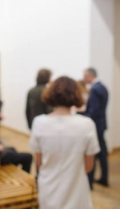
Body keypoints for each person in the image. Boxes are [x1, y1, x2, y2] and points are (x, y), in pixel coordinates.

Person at [30, 76, 100, 209]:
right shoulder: (86, 124)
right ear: (76, 95)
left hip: (48, 189)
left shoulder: (39, 123)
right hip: (76, 191)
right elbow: (89, 166)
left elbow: (39, 163)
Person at [84, 68, 109, 188]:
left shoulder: (94, 89)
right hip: (101, 124)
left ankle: (91, 181)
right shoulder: (102, 87)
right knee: (102, 152)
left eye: (85, 75)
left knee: (93, 152)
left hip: (95, 126)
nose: (84, 78)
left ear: (90, 75)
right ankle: (104, 177)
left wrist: (84, 120)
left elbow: (94, 110)